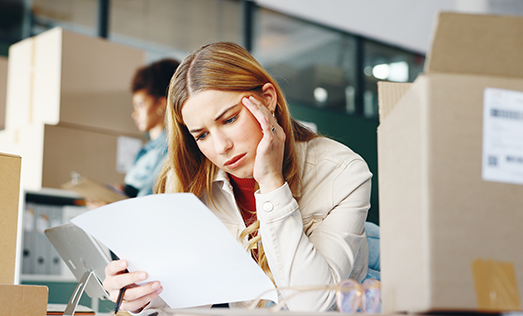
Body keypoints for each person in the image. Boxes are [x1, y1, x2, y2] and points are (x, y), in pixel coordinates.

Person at [102, 42, 372, 313]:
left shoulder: (341, 170)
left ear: (267, 98)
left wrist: (271, 184)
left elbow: (312, 304)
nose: (221, 147)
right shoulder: (188, 181)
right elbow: (187, 289)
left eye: (229, 119)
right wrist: (140, 294)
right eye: (202, 135)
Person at [86, 58, 179, 209]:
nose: (134, 114)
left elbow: (150, 201)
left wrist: (114, 205)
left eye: (140, 105)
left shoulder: (171, 149)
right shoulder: (146, 150)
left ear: (162, 104)